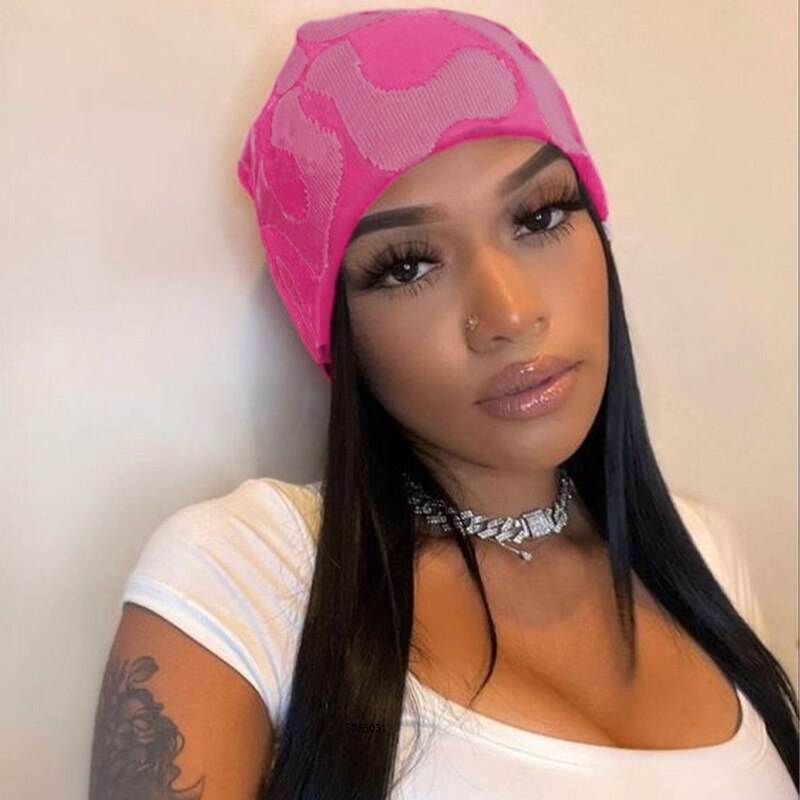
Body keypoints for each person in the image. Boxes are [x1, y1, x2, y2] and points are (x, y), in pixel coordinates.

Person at [89, 7, 799, 799]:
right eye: (406, 266)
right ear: (341, 332)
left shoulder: (705, 555)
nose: (509, 314)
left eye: (540, 216)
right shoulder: (247, 575)